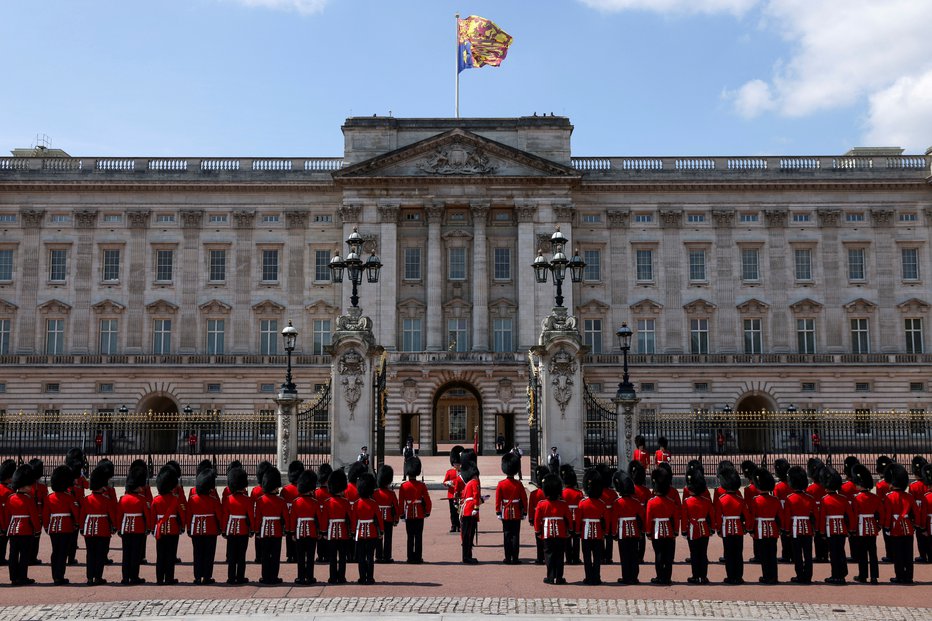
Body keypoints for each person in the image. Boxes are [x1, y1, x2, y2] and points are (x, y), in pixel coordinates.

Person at [81, 464, 117, 585]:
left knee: (90, 554)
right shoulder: (106, 500)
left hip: (88, 529)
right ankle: (98, 577)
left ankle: (90, 577)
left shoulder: (86, 499)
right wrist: (114, 526)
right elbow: (112, 515)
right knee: (100, 554)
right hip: (102, 529)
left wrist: (82, 528)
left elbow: (82, 515)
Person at [43, 465, 79, 585]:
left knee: (55, 551)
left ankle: (55, 576)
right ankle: (60, 576)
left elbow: (45, 514)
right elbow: (76, 512)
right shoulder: (68, 497)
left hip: (53, 527)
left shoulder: (49, 497)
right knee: (63, 552)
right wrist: (76, 524)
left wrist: (47, 526)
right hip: (66, 527)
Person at [534, 473, 571, 584]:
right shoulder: (563, 504)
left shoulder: (542, 504)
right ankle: (559, 577)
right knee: (559, 556)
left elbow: (537, 520)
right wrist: (569, 530)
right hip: (561, 533)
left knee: (549, 555)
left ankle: (550, 577)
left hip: (547, 533)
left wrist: (538, 531)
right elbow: (568, 519)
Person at [188, 468, 223, 585]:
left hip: (196, 529)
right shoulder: (213, 500)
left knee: (197, 554)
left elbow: (189, 515)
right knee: (209, 554)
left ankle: (197, 577)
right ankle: (207, 577)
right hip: (211, 529)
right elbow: (219, 516)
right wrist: (221, 528)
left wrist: (189, 528)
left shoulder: (193, 499)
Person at [882, 463, 916, 584]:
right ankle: (909, 576)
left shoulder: (889, 497)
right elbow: (915, 513)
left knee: (898, 554)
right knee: (908, 554)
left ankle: (900, 576)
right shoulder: (909, 496)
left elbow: (888, 515)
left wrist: (886, 527)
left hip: (895, 529)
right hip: (908, 528)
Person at [5, 465, 39, 586]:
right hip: (25, 530)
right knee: (24, 555)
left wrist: (7, 528)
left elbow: (7, 516)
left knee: (13, 555)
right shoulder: (28, 499)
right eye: (29, 485)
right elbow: (34, 516)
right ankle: (22, 577)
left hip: (13, 530)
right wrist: (37, 529)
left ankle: (14, 578)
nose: (31, 487)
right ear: (24, 485)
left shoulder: (10, 498)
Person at [118, 467, 152, 585]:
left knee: (126, 554)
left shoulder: (123, 499)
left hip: (125, 528)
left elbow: (119, 515)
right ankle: (134, 577)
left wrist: (119, 528)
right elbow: (147, 515)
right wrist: (148, 527)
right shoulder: (141, 499)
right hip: (138, 528)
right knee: (135, 555)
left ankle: (125, 577)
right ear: (137, 486)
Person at [715, 465, 749, 585]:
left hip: (726, 529)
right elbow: (746, 515)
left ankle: (730, 576)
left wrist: (718, 529)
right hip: (739, 529)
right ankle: (738, 576)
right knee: (738, 554)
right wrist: (747, 527)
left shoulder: (722, 499)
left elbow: (719, 517)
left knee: (729, 554)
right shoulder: (740, 499)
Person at [152, 466, 184, 585]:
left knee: (160, 555)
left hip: (160, 530)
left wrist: (152, 528)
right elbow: (181, 514)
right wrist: (182, 526)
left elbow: (152, 516)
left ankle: (159, 579)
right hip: (173, 529)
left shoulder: (156, 500)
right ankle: (169, 578)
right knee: (170, 555)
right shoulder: (175, 499)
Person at [850, 463, 881, 584]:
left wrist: (852, 529)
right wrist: (879, 526)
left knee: (862, 553)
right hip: (872, 527)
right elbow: (880, 513)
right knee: (873, 553)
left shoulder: (857, 498)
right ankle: (874, 576)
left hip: (861, 527)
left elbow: (855, 516)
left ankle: (863, 575)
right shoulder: (875, 497)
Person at [783, 465, 815, 584]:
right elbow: (813, 515)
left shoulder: (790, 498)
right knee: (808, 553)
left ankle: (800, 575)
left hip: (795, 529)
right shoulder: (809, 498)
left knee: (797, 554)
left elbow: (787, 516)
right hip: (807, 528)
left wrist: (786, 530)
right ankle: (808, 575)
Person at [222, 466, 254, 584]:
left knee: (231, 555)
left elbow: (225, 516)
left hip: (231, 530)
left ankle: (231, 577)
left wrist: (224, 530)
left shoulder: (228, 499)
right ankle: (240, 577)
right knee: (241, 555)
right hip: (243, 530)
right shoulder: (247, 500)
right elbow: (250, 516)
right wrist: (252, 529)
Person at [680, 468, 713, 585]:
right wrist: (712, 528)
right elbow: (711, 516)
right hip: (704, 528)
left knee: (694, 554)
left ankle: (695, 576)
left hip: (692, 529)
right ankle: (703, 576)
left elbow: (684, 519)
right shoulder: (706, 500)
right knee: (703, 553)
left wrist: (683, 530)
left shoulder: (687, 501)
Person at [611, 468, 644, 585]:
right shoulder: (636, 501)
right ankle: (634, 577)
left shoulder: (617, 502)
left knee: (624, 556)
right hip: (634, 530)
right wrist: (641, 530)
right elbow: (641, 517)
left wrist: (614, 533)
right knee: (634, 555)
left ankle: (626, 577)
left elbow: (615, 519)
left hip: (622, 531)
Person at [495, 452, 528, 565]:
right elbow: (524, 499)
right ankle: (515, 558)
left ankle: (507, 557)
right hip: (517, 512)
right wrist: (525, 512)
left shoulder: (501, 484)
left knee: (506, 535)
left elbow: (498, 500)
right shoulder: (518, 484)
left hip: (505, 512)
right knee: (515, 535)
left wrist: (498, 511)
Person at [750, 469, 782, 584]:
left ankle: (766, 576)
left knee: (764, 555)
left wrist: (750, 529)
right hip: (773, 529)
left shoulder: (756, 500)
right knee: (772, 554)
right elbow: (780, 516)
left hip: (760, 530)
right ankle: (774, 577)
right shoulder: (775, 500)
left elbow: (752, 516)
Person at [646, 467, 677, 585]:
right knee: (668, 556)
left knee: (658, 554)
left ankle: (660, 576)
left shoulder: (651, 502)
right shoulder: (671, 501)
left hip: (656, 531)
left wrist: (648, 532)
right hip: (669, 530)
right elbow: (675, 518)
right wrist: (675, 532)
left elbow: (649, 519)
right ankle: (667, 577)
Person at [352, 472, 384, 584]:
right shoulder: (374, 503)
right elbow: (379, 519)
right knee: (370, 557)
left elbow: (354, 520)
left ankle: (362, 577)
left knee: (361, 557)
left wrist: (352, 532)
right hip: (372, 533)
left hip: (360, 532)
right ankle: (370, 577)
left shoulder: (356, 504)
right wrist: (382, 531)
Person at [289, 469, 320, 584]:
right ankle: (310, 577)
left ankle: (301, 577)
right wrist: (320, 531)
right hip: (311, 531)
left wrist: (292, 532)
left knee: (300, 557)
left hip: (299, 531)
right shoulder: (315, 502)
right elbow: (319, 519)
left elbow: (293, 519)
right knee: (310, 556)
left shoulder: (296, 502)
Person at [321, 468, 352, 584]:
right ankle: (341, 577)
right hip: (343, 532)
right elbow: (350, 518)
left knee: (333, 557)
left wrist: (323, 532)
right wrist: (352, 531)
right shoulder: (345, 502)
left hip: (331, 532)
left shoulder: (327, 502)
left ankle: (333, 577)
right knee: (342, 557)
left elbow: (324, 519)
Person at [398, 457, 431, 564]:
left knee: (410, 537)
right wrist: (427, 511)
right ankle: (418, 557)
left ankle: (410, 557)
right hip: (419, 513)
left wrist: (401, 514)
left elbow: (401, 502)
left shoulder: (403, 486)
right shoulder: (421, 485)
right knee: (418, 536)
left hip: (408, 513)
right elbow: (427, 500)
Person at [576, 469, 606, 585]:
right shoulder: (602, 503)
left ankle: (589, 577)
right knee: (597, 557)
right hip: (598, 533)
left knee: (587, 557)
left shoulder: (582, 503)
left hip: (586, 532)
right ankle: (597, 577)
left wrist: (578, 530)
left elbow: (578, 519)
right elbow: (604, 519)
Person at [373, 465, 398, 563]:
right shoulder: (391, 493)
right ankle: (387, 556)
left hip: (377, 518)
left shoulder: (375, 493)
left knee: (378, 537)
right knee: (388, 538)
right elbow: (395, 507)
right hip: (388, 518)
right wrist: (396, 519)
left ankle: (378, 556)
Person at [281, 460, 304, 564]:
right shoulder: (302, 489)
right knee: (299, 536)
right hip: (299, 515)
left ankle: (290, 555)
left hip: (288, 516)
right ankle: (298, 555)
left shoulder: (285, 489)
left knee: (289, 536)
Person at [459, 462, 482, 564]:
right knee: (469, 535)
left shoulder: (468, 484)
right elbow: (476, 495)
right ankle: (467, 557)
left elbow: (465, 497)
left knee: (466, 535)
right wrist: (476, 508)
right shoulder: (474, 482)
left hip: (466, 509)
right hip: (470, 510)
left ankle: (466, 556)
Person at [561, 467, 583, 565]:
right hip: (577, 518)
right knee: (576, 539)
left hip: (566, 518)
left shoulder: (562, 493)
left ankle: (568, 558)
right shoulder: (579, 493)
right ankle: (576, 558)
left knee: (567, 538)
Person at [528, 465, 550, 565]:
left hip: (538, 519)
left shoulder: (534, 493)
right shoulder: (548, 493)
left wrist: (531, 519)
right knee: (547, 539)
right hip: (547, 518)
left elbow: (531, 508)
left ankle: (539, 558)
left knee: (538, 539)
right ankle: (547, 557)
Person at [442, 447, 462, 533]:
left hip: (461, 495)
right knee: (453, 512)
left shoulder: (462, 472)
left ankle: (460, 525)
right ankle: (454, 525)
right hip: (451, 495)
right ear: (453, 464)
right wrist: (448, 483)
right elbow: (444, 482)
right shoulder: (449, 472)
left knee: (460, 511)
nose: (457, 465)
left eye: (458, 464)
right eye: (456, 464)